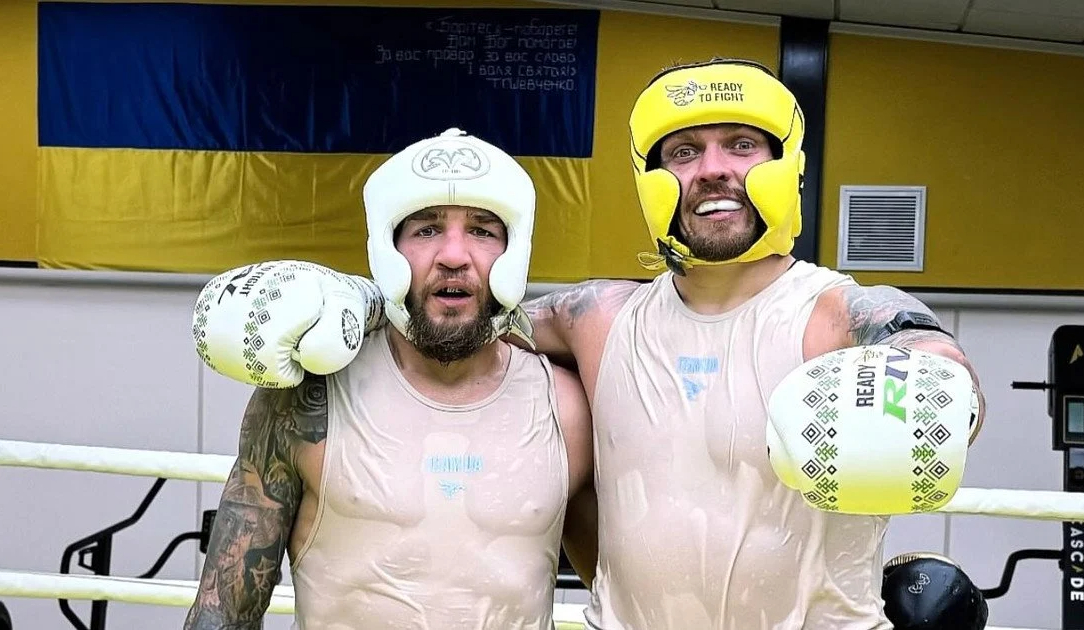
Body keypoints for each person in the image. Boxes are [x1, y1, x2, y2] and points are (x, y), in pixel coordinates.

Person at [192, 60, 989, 629]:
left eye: (741, 146)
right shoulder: (599, 319)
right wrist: (346, 300)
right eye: (684, 153)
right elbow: (465, 312)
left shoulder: (838, 314)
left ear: (787, 166)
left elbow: (925, 353)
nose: (711, 171)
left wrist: (937, 388)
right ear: (654, 179)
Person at [184, 129, 594, 629]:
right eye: (426, 229)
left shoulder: (565, 407)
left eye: (483, 230)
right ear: (387, 247)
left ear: (514, 251)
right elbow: (223, 612)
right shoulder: (312, 398)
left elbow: (632, 593)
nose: (453, 255)